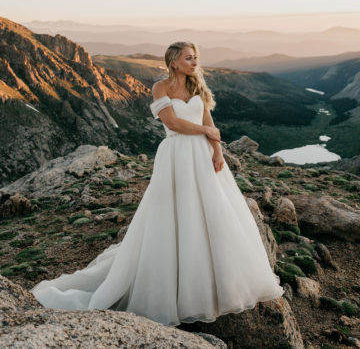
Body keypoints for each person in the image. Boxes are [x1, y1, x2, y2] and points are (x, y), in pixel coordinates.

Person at [30, 41, 284, 326]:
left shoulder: (197, 86)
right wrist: (206, 131)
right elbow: (172, 123)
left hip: (202, 155)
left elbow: (207, 117)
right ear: (174, 61)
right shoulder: (160, 88)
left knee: (212, 211)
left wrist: (217, 150)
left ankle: (213, 283)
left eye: (195, 57)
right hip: (176, 155)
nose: (194, 62)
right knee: (174, 213)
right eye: (189, 58)